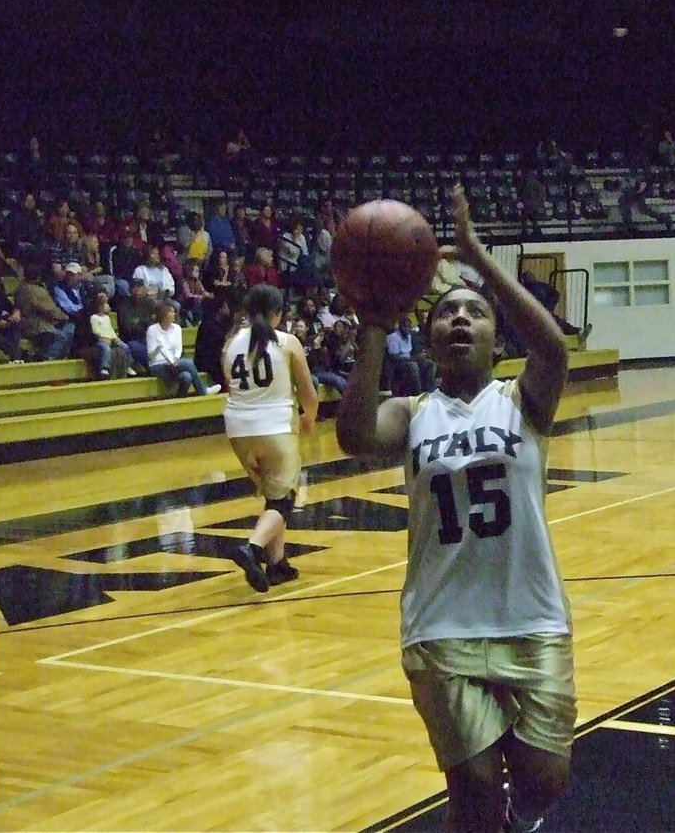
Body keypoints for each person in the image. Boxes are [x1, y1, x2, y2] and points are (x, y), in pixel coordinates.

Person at [336, 184, 574, 833]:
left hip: (531, 618)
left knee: (544, 780)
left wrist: (475, 254)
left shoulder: (523, 403)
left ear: (498, 338)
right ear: (432, 337)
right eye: (447, 313)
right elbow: (354, 433)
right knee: (470, 786)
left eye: (476, 312)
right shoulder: (411, 416)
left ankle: (521, 817)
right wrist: (377, 324)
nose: (461, 319)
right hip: (442, 624)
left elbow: (553, 349)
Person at [225, 284, 319, 592]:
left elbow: (232, 388)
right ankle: (252, 548)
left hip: (238, 429)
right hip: (275, 426)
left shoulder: (231, 343)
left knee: (273, 497)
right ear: (277, 314)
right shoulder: (287, 342)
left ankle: (277, 564)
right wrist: (309, 417)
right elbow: (308, 393)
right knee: (285, 499)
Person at [146, 302, 221, 397]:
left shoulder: (177, 328)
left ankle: (179, 399)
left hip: (174, 362)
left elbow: (178, 348)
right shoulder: (152, 330)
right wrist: (158, 348)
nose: (174, 314)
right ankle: (203, 390)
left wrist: (175, 360)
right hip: (157, 365)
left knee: (187, 377)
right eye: (171, 312)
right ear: (163, 314)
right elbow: (151, 356)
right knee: (188, 363)